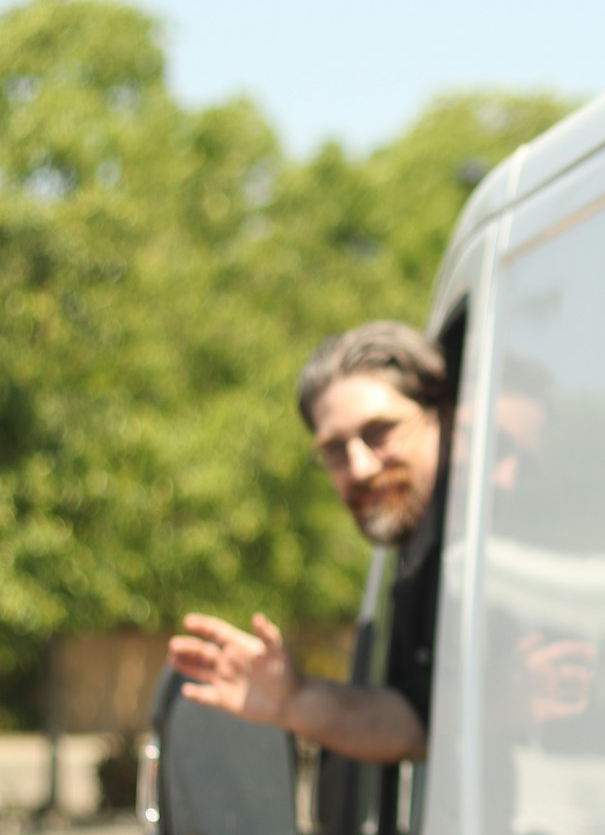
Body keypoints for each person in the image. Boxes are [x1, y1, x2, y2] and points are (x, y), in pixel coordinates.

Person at [166, 321, 448, 764]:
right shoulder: (418, 558)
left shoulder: (489, 542)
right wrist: (294, 700)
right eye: (335, 449)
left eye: (380, 432)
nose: (359, 467)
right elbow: (420, 726)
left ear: (442, 417)